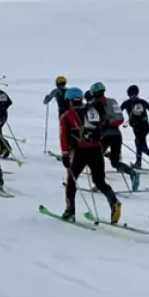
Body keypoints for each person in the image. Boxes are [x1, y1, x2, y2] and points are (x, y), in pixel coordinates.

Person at [59, 87, 120, 223]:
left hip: (81, 150)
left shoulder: (67, 115)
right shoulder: (92, 110)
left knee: (71, 181)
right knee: (99, 181)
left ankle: (70, 211)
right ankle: (114, 201)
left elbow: (63, 137)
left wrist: (65, 154)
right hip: (97, 149)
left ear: (69, 100)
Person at [88, 83, 139, 191]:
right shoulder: (112, 101)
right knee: (115, 162)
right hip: (116, 135)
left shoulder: (94, 104)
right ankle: (132, 173)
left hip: (104, 136)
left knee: (95, 159)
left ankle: (99, 183)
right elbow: (120, 117)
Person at [122, 85, 149, 171]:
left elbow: (117, 113)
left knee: (141, 146)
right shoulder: (142, 102)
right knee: (138, 142)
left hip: (138, 127)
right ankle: (138, 162)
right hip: (145, 126)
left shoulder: (127, 103)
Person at [0, 87, 15, 159]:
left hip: (0, 116)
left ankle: (6, 147)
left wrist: (0, 109)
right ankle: (3, 147)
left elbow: (8, 102)